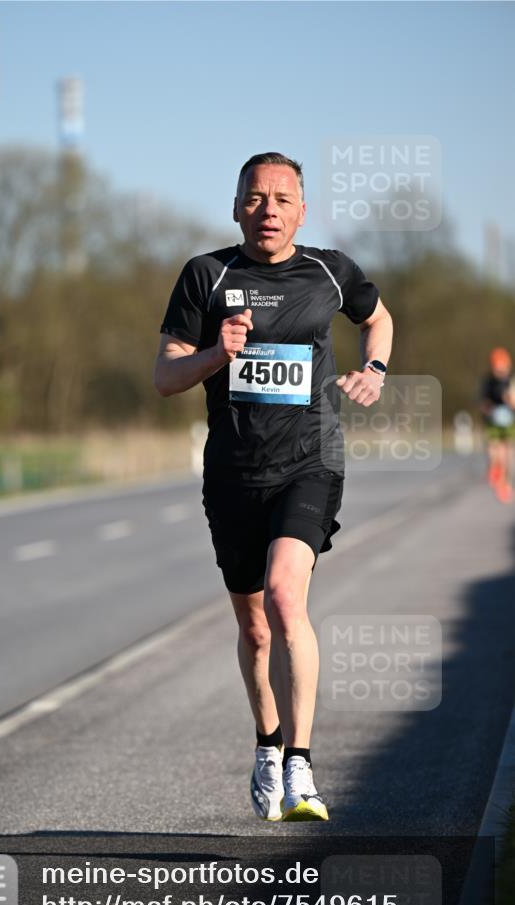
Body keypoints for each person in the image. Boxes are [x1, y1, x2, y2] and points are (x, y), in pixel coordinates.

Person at [153, 152, 393, 822]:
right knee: (254, 628)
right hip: (232, 472)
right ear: (235, 207)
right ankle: (265, 744)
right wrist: (214, 354)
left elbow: (379, 318)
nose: (268, 210)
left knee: (288, 597)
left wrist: (373, 366)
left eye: (281, 199)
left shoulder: (329, 271)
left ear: (301, 210)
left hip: (310, 461)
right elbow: (164, 377)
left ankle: (300, 763)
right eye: (254, 198)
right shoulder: (207, 275)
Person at [479, 347, 515, 504]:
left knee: (507, 451)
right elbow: (482, 401)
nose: (499, 371)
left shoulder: (511, 381)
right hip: (493, 421)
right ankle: (495, 468)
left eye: (502, 367)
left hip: (509, 421)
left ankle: (505, 483)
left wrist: (509, 400)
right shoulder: (489, 382)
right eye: (496, 367)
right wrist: (489, 409)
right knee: (494, 449)